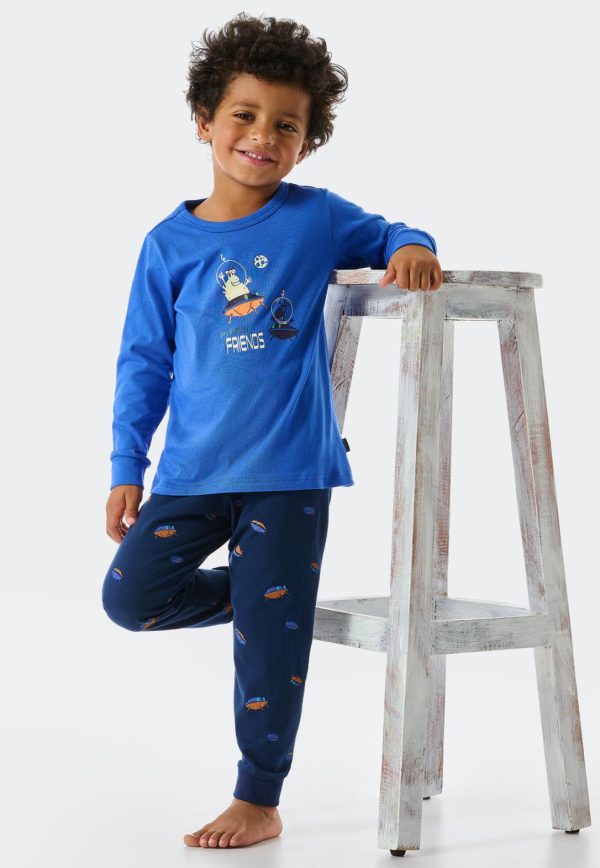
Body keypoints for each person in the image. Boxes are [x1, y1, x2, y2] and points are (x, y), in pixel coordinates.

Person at [101, 11, 443, 851]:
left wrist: (412, 248)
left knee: (266, 661)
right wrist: (126, 467)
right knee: (129, 598)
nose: (263, 136)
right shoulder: (168, 244)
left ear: (306, 142)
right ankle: (263, 597)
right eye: (245, 116)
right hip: (190, 473)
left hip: (288, 471)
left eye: (286, 125)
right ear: (205, 121)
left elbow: (394, 231)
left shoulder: (315, 218)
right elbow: (143, 362)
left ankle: (259, 797)